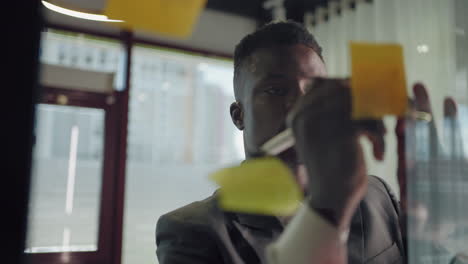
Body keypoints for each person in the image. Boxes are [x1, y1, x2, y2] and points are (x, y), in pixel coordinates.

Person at [155, 20, 458, 264]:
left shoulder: (377, 196)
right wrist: (327, 215)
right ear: (239, 115)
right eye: (275, 91)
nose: (302, 108)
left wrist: (434, 242)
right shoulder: (192, 231)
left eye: (313, 91)